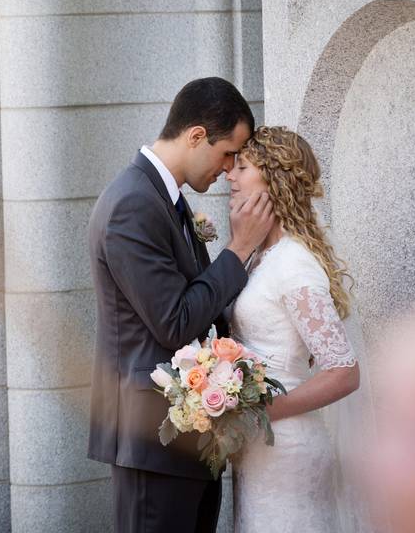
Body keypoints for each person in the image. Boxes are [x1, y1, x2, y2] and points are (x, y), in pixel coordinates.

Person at [87, 77, 275, 532]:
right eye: (228, 152)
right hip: (151, 442)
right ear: (195, 136)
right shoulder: (134, 203)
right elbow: (174, 322)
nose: (230, 169)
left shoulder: (162, 198)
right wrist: (237, 250)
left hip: (185, 441)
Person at [225, 126, 361, 533]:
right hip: (260, 446)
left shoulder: (294, 264)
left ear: (272, 179)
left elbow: (344, 371)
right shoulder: (260, 257)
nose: (230, 174)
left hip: (288, 447)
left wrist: (265, 412)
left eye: (242, 166)